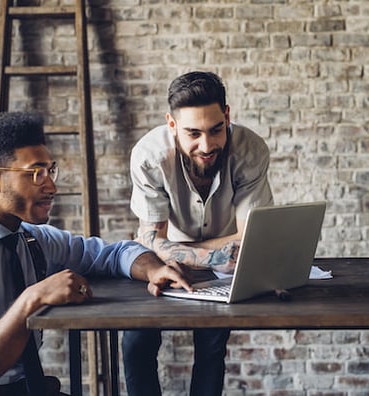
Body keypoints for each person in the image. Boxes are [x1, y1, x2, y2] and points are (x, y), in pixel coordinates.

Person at [0, 112, 192, 396]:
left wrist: (153, 268)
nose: (52, 186)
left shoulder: (35, 240)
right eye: (35, 174)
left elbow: (115, 253)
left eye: (50, 171)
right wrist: (32, 298)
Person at [123, 71, 273, 395]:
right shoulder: (149, 157)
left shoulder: (250, 150)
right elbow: (149, 240)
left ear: (228, 116)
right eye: (193, 133)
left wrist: (176, 247)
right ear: (172, 125)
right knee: (136, 341)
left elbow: (253, 239)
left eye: (216, 130)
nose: (206, 145)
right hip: (164, 264)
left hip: (219, 270)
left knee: (212, 348)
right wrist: (219, 249)